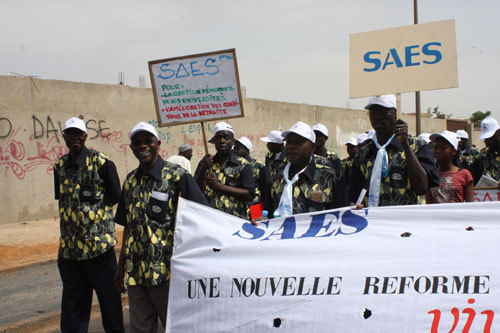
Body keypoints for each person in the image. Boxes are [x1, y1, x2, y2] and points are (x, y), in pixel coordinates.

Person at [114, 122, 208, 332]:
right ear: (131, 148)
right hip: (137, 274)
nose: (143, 146)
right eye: (137, 143)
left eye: (148, 141)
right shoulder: (130, 181)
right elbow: (128, 227)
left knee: (175, 327)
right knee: (140, 329)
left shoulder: (177, 177)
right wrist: (120, 267)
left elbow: (202, 216)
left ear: (158, 144)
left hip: (168, 275)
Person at [53, 117, 124, 333]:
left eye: (78, 133)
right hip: (71, 251)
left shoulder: (102, 162)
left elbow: (115, 196)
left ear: (85, 136)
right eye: (70, 133)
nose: (75, 137)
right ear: (64, 136)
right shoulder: (59, 166)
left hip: (99, 249)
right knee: (73, 308)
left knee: (110, 305)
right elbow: (63, 199)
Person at [349, 95, 439, 207]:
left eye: (383, 112)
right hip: (374, 222)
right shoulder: (364, 152)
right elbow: (355, 195)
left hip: (406, 221)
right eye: (373, 112)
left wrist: (405, 144)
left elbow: (422, 188)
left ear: (395, 114)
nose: (377, 117)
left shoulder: (418, 146)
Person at [266, 122, 339, 216]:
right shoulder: (278, 176)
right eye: (289, 142)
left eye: (298, 142)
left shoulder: (327, 175)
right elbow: (267, 212)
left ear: (312, 147)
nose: (291, 146)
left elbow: (342, 214)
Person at [195, 122, 255, 220]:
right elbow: (195, 190)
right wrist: (203, 169)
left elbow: (249, 195)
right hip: (209, 220)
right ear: (214, 142)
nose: (222, 141)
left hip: (235, 221)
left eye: (226, 137)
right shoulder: (206, 163)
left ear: (233, 142)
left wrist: (220, 187)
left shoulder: (243, 165)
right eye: (218, 138)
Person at [426, 130, 474, 203]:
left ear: (453, 151)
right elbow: (428, 204)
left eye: (443, 148)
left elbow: (470, 205)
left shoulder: (464, 175)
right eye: (436, 147)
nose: (438, 151)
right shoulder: (431, 175)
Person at [233, 136, 271, 208]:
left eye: (238, 149)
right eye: (234, 148)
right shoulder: (233, 166)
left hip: (255, 205)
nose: (235, 151)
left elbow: (266, 188)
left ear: (247, 151)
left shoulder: (259, 166)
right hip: (238, 206)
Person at [469, 117, 500, 186]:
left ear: (498, 133)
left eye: (491, 137)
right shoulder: (482, 157)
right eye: (486, 138)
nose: (488, 141)